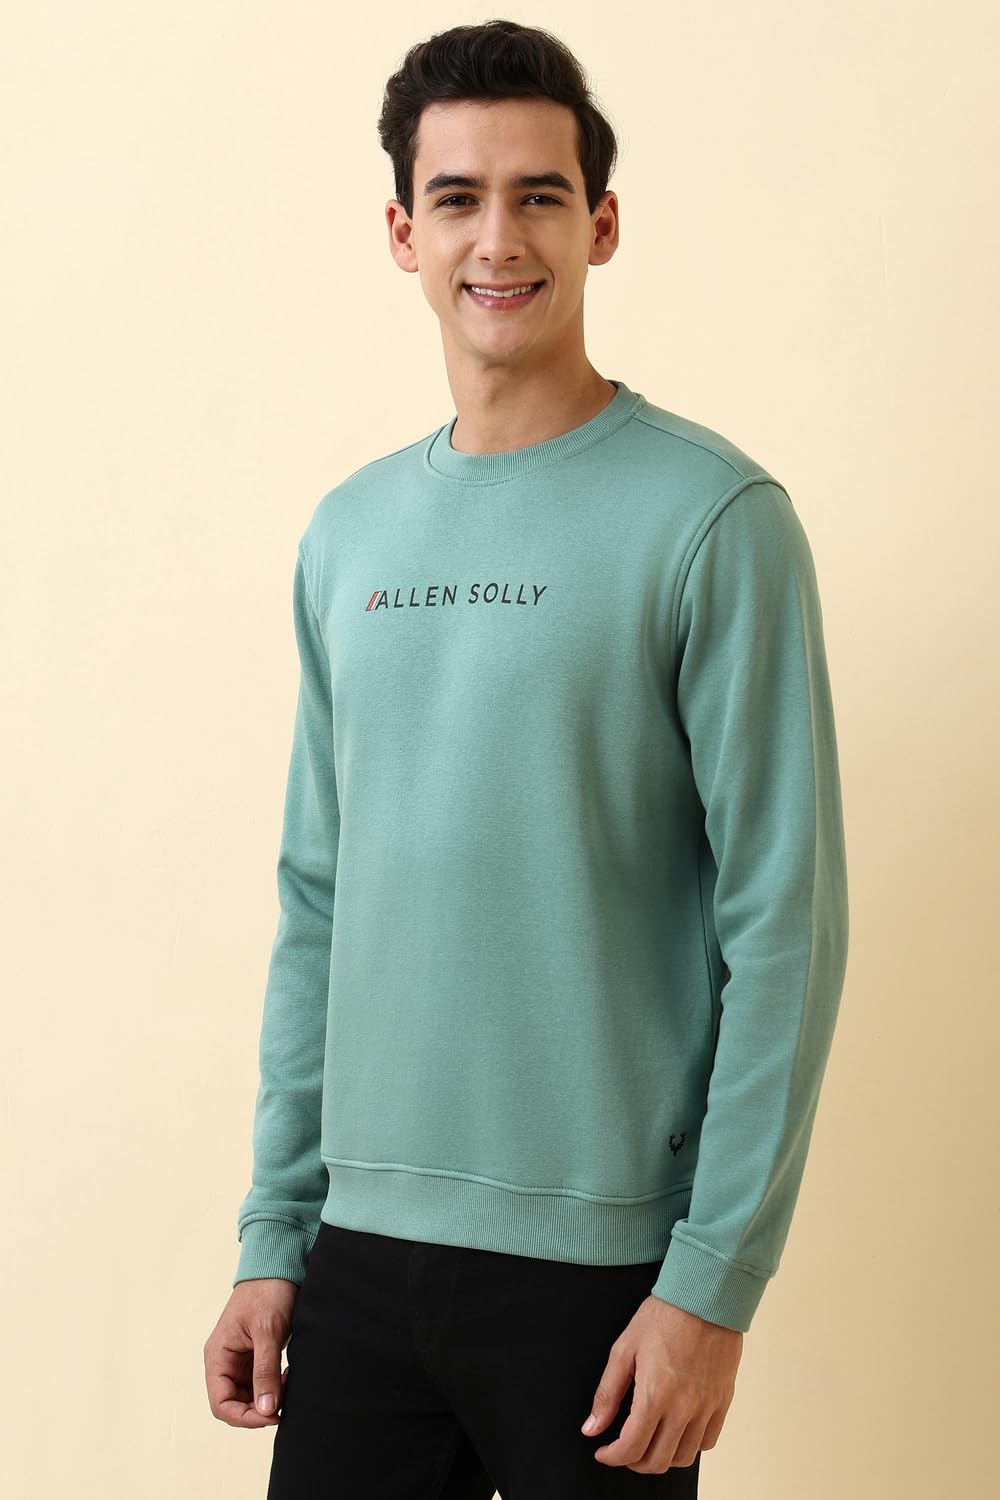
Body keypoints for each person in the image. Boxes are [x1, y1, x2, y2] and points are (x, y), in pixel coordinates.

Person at [203, 18, 850, 1498]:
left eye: (539, 196)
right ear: (402, 233)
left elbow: (787, 926)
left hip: (608, 1277)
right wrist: (273, 1235)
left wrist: (712, 1285)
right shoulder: (350, 534)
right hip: (357, 1260)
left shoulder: (715, 521)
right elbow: (319, 900)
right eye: (458, 197)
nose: (499, 238)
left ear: (600, 224)